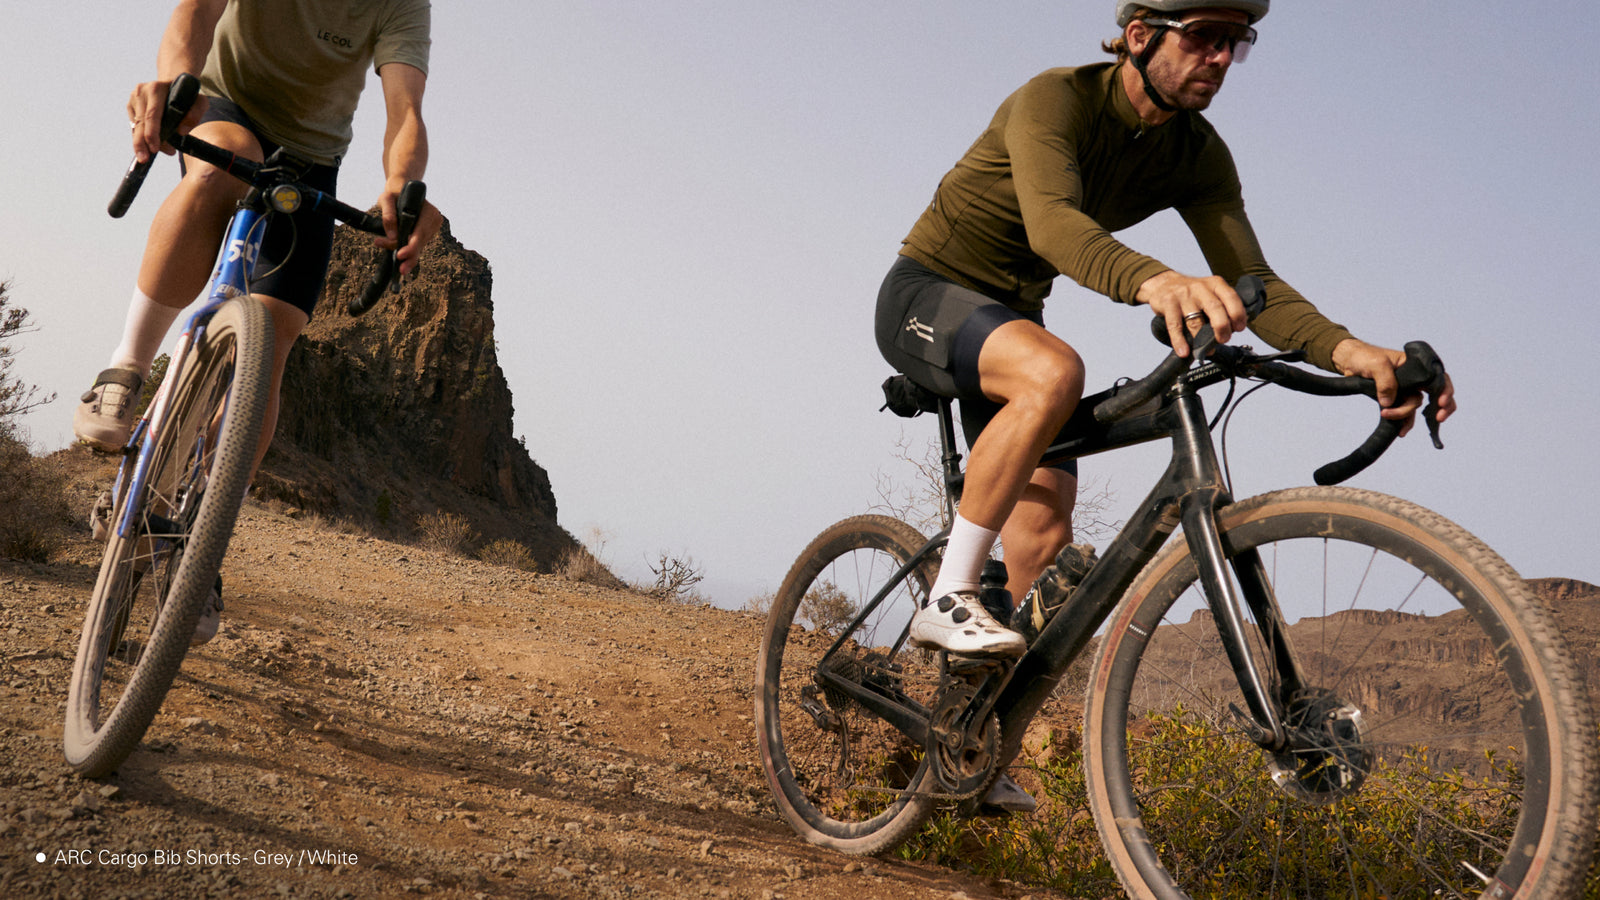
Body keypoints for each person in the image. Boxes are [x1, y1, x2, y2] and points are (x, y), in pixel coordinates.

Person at [876, 0, 1456, 809]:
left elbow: (1260, 284)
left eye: (1235, 44)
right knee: (1055, 373)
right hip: (932, 291)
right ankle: (947, 595)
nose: (1220, 59)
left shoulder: (1197, 154)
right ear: (1141, 36)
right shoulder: (1058, 100)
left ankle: (968, 739)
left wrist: (1351, 350)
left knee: (1044, 548)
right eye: (1203, 39)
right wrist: (1157, 279)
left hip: (1014, 319)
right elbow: (1053, 227)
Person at [73, 0, 444, 643]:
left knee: (270, 338)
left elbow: (404, 109)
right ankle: (125, 369)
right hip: (223, 107)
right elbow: (195, 12)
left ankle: (198, 538)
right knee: (222, 161)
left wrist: (401, 184)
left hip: (309, 157)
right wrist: (176, 80)